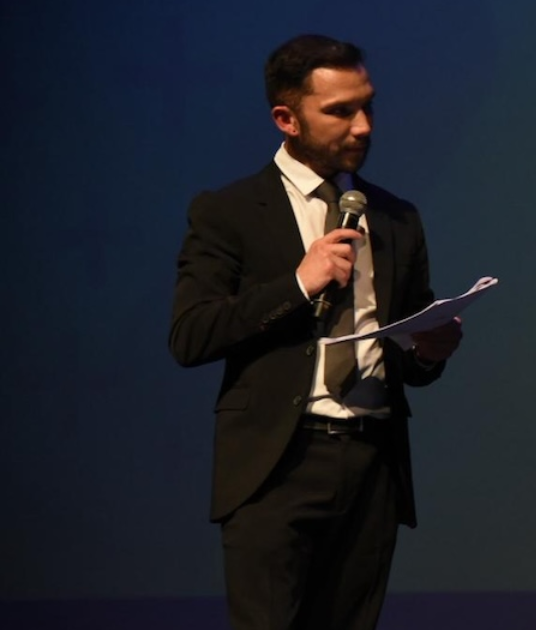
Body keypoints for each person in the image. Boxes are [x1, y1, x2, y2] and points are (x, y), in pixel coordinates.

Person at [169, 34, 462, 630]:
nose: (362, 127)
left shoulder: (396, 215)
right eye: (339, 111)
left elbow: (403, 348)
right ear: (287, 119)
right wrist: (298, 285)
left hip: (373, 460)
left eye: (368, 106)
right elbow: (191, 335)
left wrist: (429, 351)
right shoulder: (228, 211)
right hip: (277, 463)